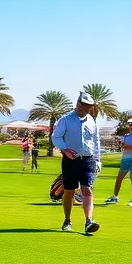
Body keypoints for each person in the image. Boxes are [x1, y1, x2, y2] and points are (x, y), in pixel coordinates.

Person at [50, 92, 102, 235]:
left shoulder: (91, 120)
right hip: (70, 160)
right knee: (69, 191)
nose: (82, 110)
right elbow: (56, 137)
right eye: (81, 107)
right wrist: (65, 149)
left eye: (86, 108)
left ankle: (88, 221)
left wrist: (98, 160)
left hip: (88, 159)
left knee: (87, 189)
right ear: (77, 104)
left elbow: (96, 141)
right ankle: (67, 219)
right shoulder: (65, 119)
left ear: (90, 108)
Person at [106, 120, 132, 206]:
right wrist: (121, 144)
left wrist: (129, 147)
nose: (130, 126)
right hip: (125, 160)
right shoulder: (126, 136)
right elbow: (122, 145)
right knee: (119, 179)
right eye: (129, 125)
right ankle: (115, 197)